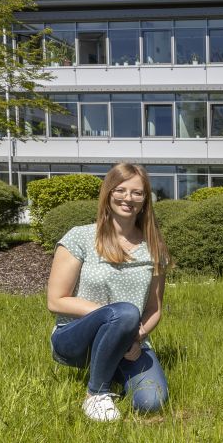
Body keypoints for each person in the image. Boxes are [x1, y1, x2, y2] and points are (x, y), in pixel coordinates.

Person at [46, 163, 171, 422]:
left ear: (146, 200)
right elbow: (56, 300)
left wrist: (135, 336)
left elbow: (154, 309)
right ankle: (96, 394)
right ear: (108, 193)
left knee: (151, 402)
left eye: (137, 193)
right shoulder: (80, 238)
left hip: (130, 339)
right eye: (121, 190)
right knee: (125, 312)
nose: (128, 198)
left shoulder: (154, 247)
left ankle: (111, 367)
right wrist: (114, 317)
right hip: (74, 337)